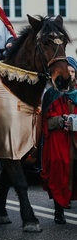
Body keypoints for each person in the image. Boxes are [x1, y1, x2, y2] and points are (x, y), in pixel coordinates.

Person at [41, 56, 77, 224]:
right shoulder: (52, 94)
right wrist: (61, 121)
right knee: (58, 173)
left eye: (72, 71)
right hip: (58, 140)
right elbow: (45, 122)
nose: (70, 74)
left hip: (75, 140)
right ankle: (58, 210)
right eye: (67, 71)